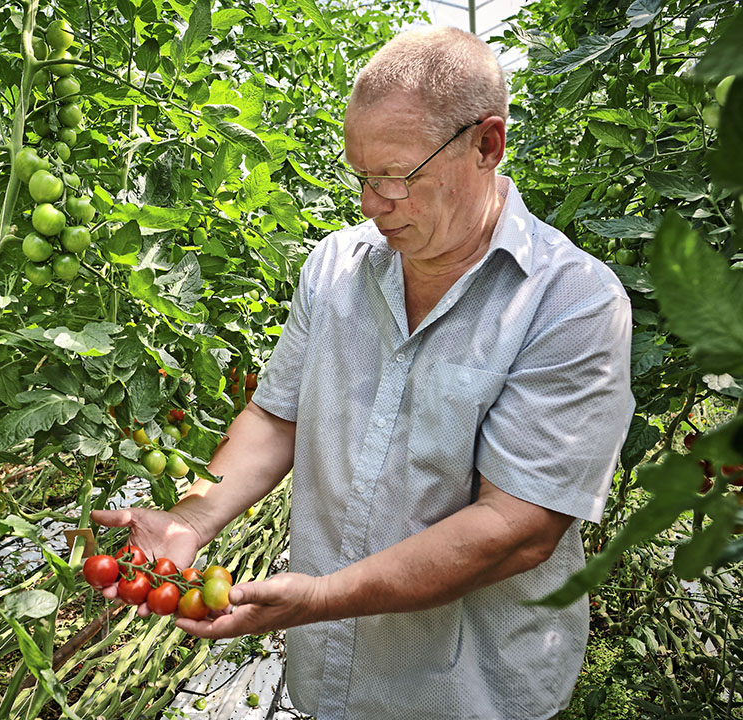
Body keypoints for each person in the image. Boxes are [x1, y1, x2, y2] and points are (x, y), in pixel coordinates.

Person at [93, 25, 634, 720]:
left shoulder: (571, 304)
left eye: (397, 178)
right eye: (361, 176)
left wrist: (322, 596)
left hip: (466, 691)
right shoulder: (336, 268)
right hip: (332, 675)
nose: (372, 204)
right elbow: (274, 415)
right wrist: (191, 521)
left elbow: (519, 526)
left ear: (487, 145)